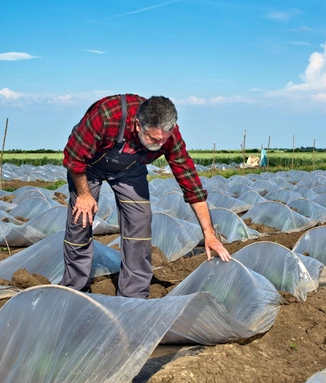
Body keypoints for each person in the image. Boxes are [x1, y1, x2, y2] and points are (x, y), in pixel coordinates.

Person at [61, 93, 231, 299]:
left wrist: (209, 232)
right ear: (138, 125)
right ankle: (75, 293)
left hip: (129, 170)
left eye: (163, 140)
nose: (159, 144)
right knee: (80, 221)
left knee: (139, 223)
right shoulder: (107, 116)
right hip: (88, 166)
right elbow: (74, 157)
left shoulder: (168, 134)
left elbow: (189, 180)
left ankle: (134, 297)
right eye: (153, 139)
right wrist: (84, 195)